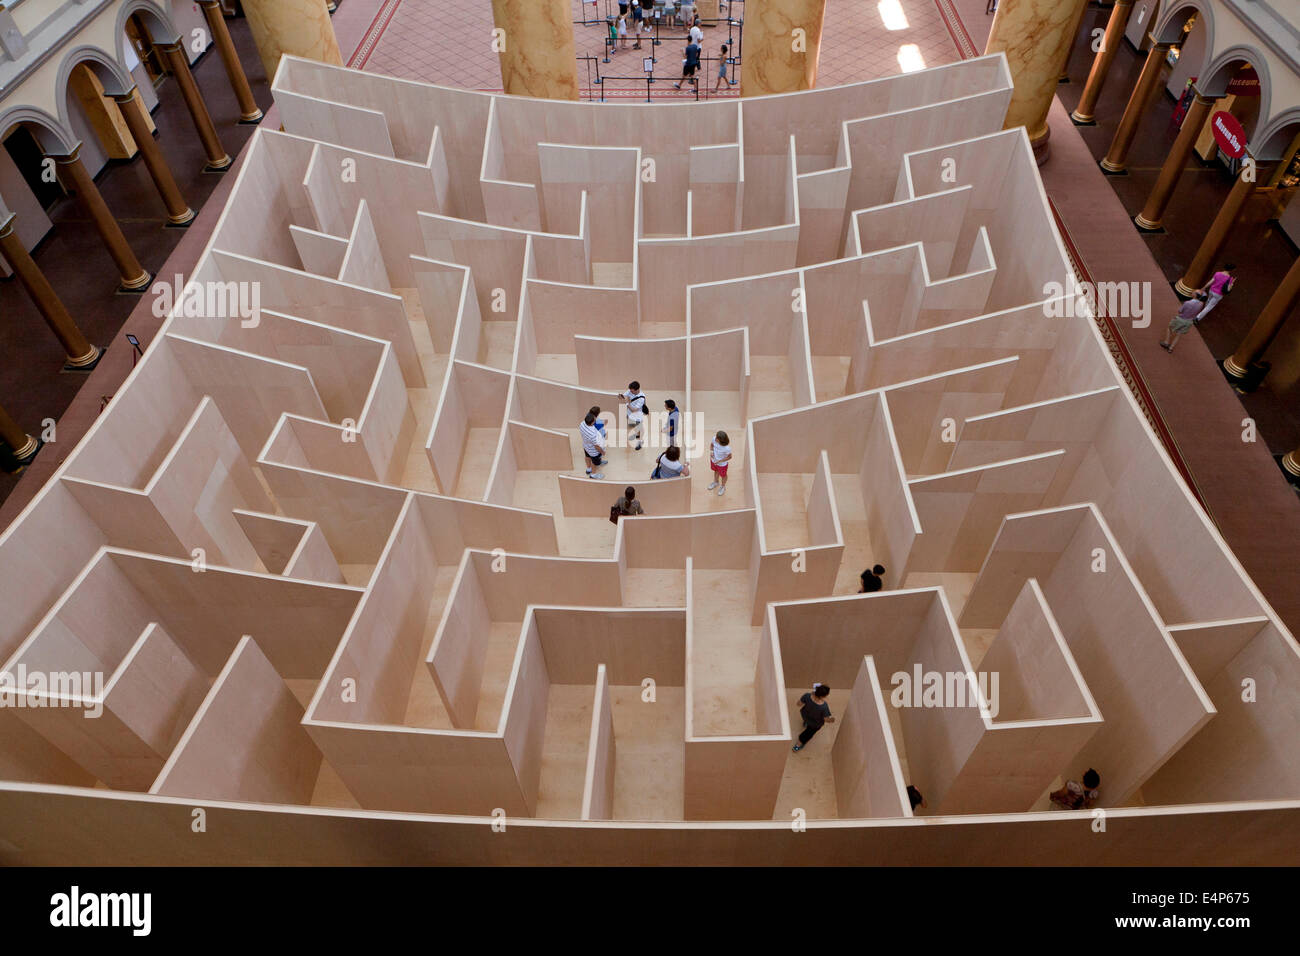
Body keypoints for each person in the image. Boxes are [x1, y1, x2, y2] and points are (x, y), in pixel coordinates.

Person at [792, 683, 834, 751]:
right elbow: (826, 719)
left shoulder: (807, 695)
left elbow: (798, 704)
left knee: (807, 721)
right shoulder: (824, 707)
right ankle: (797, 746)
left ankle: (806, 723)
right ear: (823, 696)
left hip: (805, 715)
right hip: (815, 724)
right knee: (807, 734)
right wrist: (832, 720)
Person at [618, 381, 647, 451]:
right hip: (630, 414)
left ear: (637, 390)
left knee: (638, 429)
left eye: (632, 391)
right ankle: (636, 435)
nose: (630, 392)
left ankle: (640, 442)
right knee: (633, 426)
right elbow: (624, 396)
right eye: (630, 390)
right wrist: (621, 396)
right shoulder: (630, 390)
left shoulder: (641, 398)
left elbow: (634, 410)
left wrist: (626, 403)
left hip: (637, 415)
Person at [580, 410, 606, 479]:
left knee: (587, 457)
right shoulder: (592, 434)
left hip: (586, 446)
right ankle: (593, 475)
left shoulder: (582, 424)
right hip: (594, 451)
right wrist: (602, 452)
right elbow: (596, 446)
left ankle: (588, 469)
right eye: (594, 420)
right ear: (592, 423)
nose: (595, 421)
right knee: (594, 463)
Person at [707, 430, 731, 496]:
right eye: (716, 437)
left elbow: (729, 457)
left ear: (721, 440)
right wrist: (711, 452)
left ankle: (723, 486)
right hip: (714, 461)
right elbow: (711, 445)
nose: (715, 439)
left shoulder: (727, 448)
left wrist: (720, 461)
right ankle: (716, 482)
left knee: (723, 475)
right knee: (716, 471)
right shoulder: (714, 439)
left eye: (717, 438)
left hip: (722, 464)